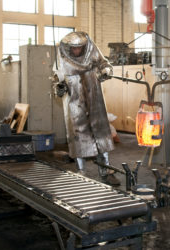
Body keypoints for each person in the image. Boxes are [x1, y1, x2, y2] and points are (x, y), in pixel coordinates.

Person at [53, 31, 120, 186]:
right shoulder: (61, 59)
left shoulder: (92, 52)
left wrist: (106, 71)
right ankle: (81, 171)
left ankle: (106, 171)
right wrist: (60, 88)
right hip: (74, 99)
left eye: (80, 48)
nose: (77, 51)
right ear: (68, 48)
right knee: (78, 134)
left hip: (93, 94)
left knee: (101, 132)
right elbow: (56, 80)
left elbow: (104, 64)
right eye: (73, 48)